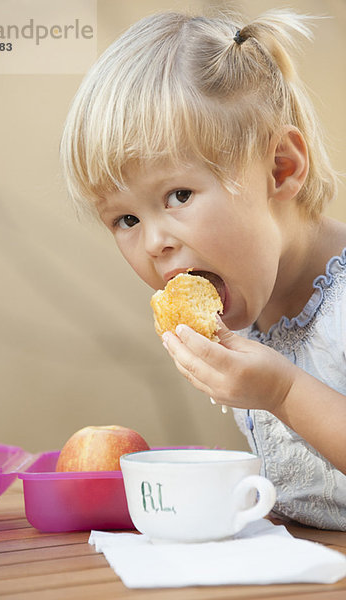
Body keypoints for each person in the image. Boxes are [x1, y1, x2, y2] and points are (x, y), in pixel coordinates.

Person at [60, 9, 346, 530]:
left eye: (179, 195)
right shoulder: (249, 299)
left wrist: (284, 394)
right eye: (126, 218)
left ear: (281, 167)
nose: (155, 242)